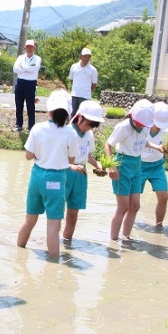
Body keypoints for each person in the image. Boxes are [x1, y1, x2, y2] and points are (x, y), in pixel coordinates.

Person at [17, 90, 79, 257]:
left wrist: (41, 155)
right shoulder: (70, 132)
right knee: (53, 226)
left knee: (29, 220)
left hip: (36, 176)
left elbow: (28, 155)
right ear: (67, 114)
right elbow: (72, 160)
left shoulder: (38, 128)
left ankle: (19, 252)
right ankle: (53, 265)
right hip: (56, 179)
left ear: (48, 110)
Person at [105, 99, 155, 241]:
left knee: (135, 205)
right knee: (123, 207)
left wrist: (157, 147)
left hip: (137, 164)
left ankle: (126, 237)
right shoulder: (123, 127)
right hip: (123, 164)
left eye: (143, 124)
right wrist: (111, 166)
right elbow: (108, 144)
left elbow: (142, 142)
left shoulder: (145, 127)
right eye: (138, 122)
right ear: (132, 116)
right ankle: (113, 241)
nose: (140, 125)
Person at [62, 100, 104, 240]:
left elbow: (87, 155)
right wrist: (71, 166)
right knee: (57, 210)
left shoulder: (89, 135)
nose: (88, 128)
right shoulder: (67, 131)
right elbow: (57, 156)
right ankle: (53, 242)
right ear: (79, 117)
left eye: (91, 126)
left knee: (73, 213)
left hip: (81, 174)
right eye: (87, 124)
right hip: (65, 171)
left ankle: (67, 242)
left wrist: (97, 165)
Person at [12, 39, 42, 132]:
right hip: (20, 82)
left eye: (31, 47)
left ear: (34, 48)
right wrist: (28, 68)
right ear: (25, 48)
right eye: (28, 47)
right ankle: (18, 125)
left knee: (30, 105)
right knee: (19, 104)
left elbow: (34, 70)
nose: (29, 49)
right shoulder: (20, 57)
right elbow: (15, 69)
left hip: (31, 83)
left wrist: (23, 67)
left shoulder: (37, 59)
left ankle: (31, 126)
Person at [68, 47, 98, 117]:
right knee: (73, 114)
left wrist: (88, 90)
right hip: (75, 95)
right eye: (85, 56)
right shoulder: (74, 66)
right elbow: (71, 79)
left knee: (83, 115)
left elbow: (94, 83)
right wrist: (76, 87)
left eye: (88, 56)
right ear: (80, 56)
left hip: (85, 96)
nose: (86, 58)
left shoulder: (93, 69)